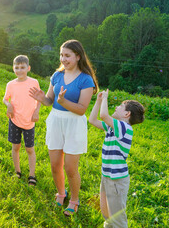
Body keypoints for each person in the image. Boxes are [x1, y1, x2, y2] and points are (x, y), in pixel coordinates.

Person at [29, 40, 98, 215]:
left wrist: (64, 102)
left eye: (67, 55)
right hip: (56, 121)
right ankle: (61, 192)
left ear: (78, 57)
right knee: (55, 165)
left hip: (74, 124)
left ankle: (74, 199)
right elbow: (49, 100)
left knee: (70, 167)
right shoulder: (57, 75)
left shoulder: (86, 79)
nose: (63, 59)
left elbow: (82, 110)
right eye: (61, 55)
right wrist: (40, 98)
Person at [88, 89, 145, 227]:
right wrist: (98, 100)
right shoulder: (112, 127)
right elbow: (92, 119)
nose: (116, 107)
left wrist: (106, 97)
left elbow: (103, 115)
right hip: (107, 176)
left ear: (127, 114)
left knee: (117, 218)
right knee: (106, 213)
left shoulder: (125, 127)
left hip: (117, 180)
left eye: (120, 106)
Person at [3, 55, 41, 186]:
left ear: (28, 68)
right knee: (16, 147)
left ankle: (32, 175)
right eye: (16, 67)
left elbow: (40, 98)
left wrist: (37, 111)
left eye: (22, 67)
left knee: (30, 149)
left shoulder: (34, 82)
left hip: (29, 120)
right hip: (14, 120)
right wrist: (8, 105)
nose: (19, 70)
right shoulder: (11, 84)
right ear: (13, 68)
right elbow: (5, 98)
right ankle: (17, 171)